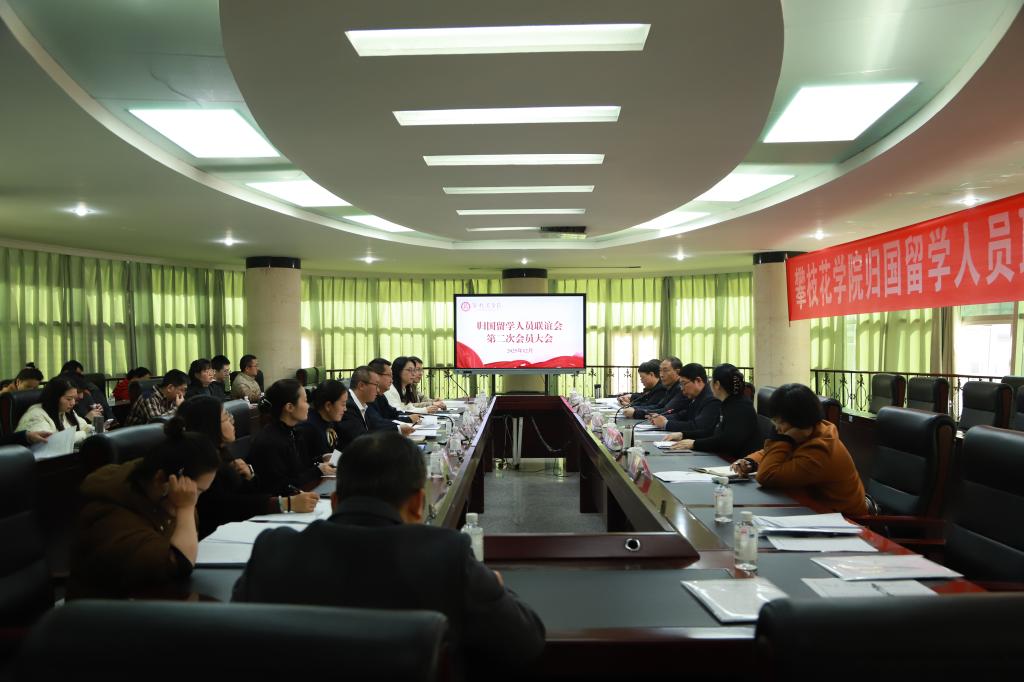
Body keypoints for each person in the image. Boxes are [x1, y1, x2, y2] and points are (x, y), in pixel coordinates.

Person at [232, 430, 546, 674]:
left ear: (336, 502)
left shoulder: (273, 551)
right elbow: (525, 642)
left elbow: (232, 646)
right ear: (418, 503)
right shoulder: (446, 554)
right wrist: (496, 590)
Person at [65, 420, 220, 599]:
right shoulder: (111, 514)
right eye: (196, 492)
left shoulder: (155, 494)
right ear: (161, 479)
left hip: (149, 600)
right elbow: (180, 564)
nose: (194, 500)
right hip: (101, 612)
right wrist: (185, 507)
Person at [179, 396, 317, 539]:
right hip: (217, 538)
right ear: (211, 426)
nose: (232, 421)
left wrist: (251, 476)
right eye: (226, 417)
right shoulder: (202, 463)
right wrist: (285, 504)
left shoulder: (222, 453)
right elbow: (226, 506)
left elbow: (247, 493)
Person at [731, 383, 867, 516]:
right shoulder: (810, 431)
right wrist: (750, 462)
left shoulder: (820, 451)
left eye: (780, 423)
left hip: (846, 520)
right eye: (775, 422)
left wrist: (782, 439)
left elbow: (767, 475)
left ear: (799, 422)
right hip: (813, 510)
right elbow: (772, 453)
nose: (777, 428)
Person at [247, 379, 333, 495]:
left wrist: (321, 459)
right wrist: (318, 470)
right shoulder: (269, 442)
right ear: (290, 407)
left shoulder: (294, 431)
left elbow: (300, 467)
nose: (308, 406)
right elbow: (282, 486)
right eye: (305, 401)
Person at [670, 364, 760, 457]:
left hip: (734, 460)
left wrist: (695, 444)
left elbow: (726, 441)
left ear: (717, 385)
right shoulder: (729, 403)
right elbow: (712, 431)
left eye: (711, 381)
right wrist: (683, 435)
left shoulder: (739, 407)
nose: (709, 384)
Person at [16, 377, 98, 445]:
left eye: (74, 399)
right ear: (54, 398)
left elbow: (84, 427)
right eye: (69, 399)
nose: (73, 403)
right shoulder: (36, 415)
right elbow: (50, 442)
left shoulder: (65, 411)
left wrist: (97, 429)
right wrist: (84, 434)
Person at [659, 363, 722, 440]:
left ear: (698, 380)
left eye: (684, 383)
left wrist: (666, 424)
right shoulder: (697, 396)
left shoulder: (711, 399)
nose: (682, 388)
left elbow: (698, 427)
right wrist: (663, 418)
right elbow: (683, 415)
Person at [299, 380, 349, 466]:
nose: (345, 409)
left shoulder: (330, 420)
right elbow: (307, 464)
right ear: (328, 406)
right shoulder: (308, 428)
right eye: (343, 404)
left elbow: (333, 452)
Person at [623, 357, 688, 419]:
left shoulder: (680, 388)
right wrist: (634, 408)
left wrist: (636, 413)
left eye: (665, 370)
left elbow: (666, 411)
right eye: (660, 371)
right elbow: (659, 406)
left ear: (677, 372)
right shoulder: (670, 387)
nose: (661, 375)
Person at [367, 358, 418, 431]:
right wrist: (407, 421)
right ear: (376, 376)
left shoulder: (380, 395)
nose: (392, 380)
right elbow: (377, 423)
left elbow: (392, 413)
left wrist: (409, 418)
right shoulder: (368, 396)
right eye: (389, 375)